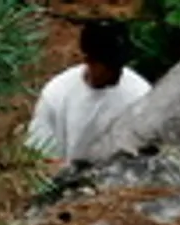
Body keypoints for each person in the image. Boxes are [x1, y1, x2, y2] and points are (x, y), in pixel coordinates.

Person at [28, 17, 153, 170]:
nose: (117, 72)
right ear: (89, 60)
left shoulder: (140, 94)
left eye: (120, 64)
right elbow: (39, 160)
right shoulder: (56, 95)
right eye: (109, 66)